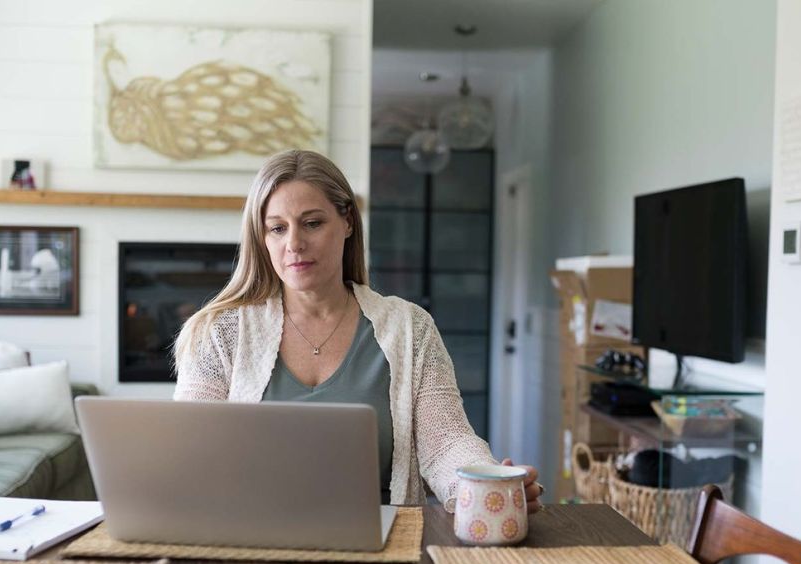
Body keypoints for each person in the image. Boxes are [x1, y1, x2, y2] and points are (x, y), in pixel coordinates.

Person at [173, 149, 542, 512]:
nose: (294, 244)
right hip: (251, 534)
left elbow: (446, 441)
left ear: (347, 221)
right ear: (262, 236)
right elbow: (189, 450)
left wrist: (481, 483)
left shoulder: (411, 328)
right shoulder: (219, 332)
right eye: (277, 228)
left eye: (312, 223)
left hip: (381, 543)